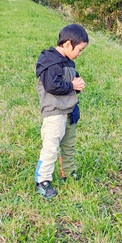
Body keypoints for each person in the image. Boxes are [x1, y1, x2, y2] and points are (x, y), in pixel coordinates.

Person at [34, 23, 88, 199]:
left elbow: (70, 82)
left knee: (69, 145)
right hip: (55, 113)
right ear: (67, 44)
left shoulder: (68, 62)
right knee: (51, 147)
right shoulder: (49, 62)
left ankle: (68, 172)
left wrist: (77, 86)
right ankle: (42, 181)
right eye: (79, 50)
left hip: (69, 111)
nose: (79, 54)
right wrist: (71, 85)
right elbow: (52, 85)